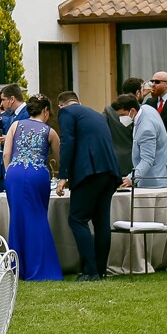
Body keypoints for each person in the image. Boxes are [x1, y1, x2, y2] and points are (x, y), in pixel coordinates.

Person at [56, 90, 121, 279]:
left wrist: (63, 175)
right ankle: (100, 270)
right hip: (110, 172)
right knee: (101, 222)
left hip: (89, 171)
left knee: (77, 219)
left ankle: (90, 271)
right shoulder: (95, 114)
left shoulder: (67, 113)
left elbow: (67, 141)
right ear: (78, 101)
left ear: (62, 105)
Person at [2, 95, 61, 280]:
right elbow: (59, 160)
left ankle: (16, 267)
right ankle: (40, 268)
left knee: (17, 219)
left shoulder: (15, 126)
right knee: (37, 218)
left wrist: (8, 172)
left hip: (14, 173)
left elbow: (6, 154)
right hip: (37, 174)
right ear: (45, 111)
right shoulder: (50, 132)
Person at [125, 93, 167, 189]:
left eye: (122, 115)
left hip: (158, 179)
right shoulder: (146, 108)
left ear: (132, 111)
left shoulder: (146, 129)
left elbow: (147, 159)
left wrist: (130, 178)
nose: (120, 118)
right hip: (159, 172)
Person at [105, 76, 144, 178]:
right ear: (138, 93)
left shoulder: (109, 110)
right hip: (136, 163)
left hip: (114, 162)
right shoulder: (141, 111)